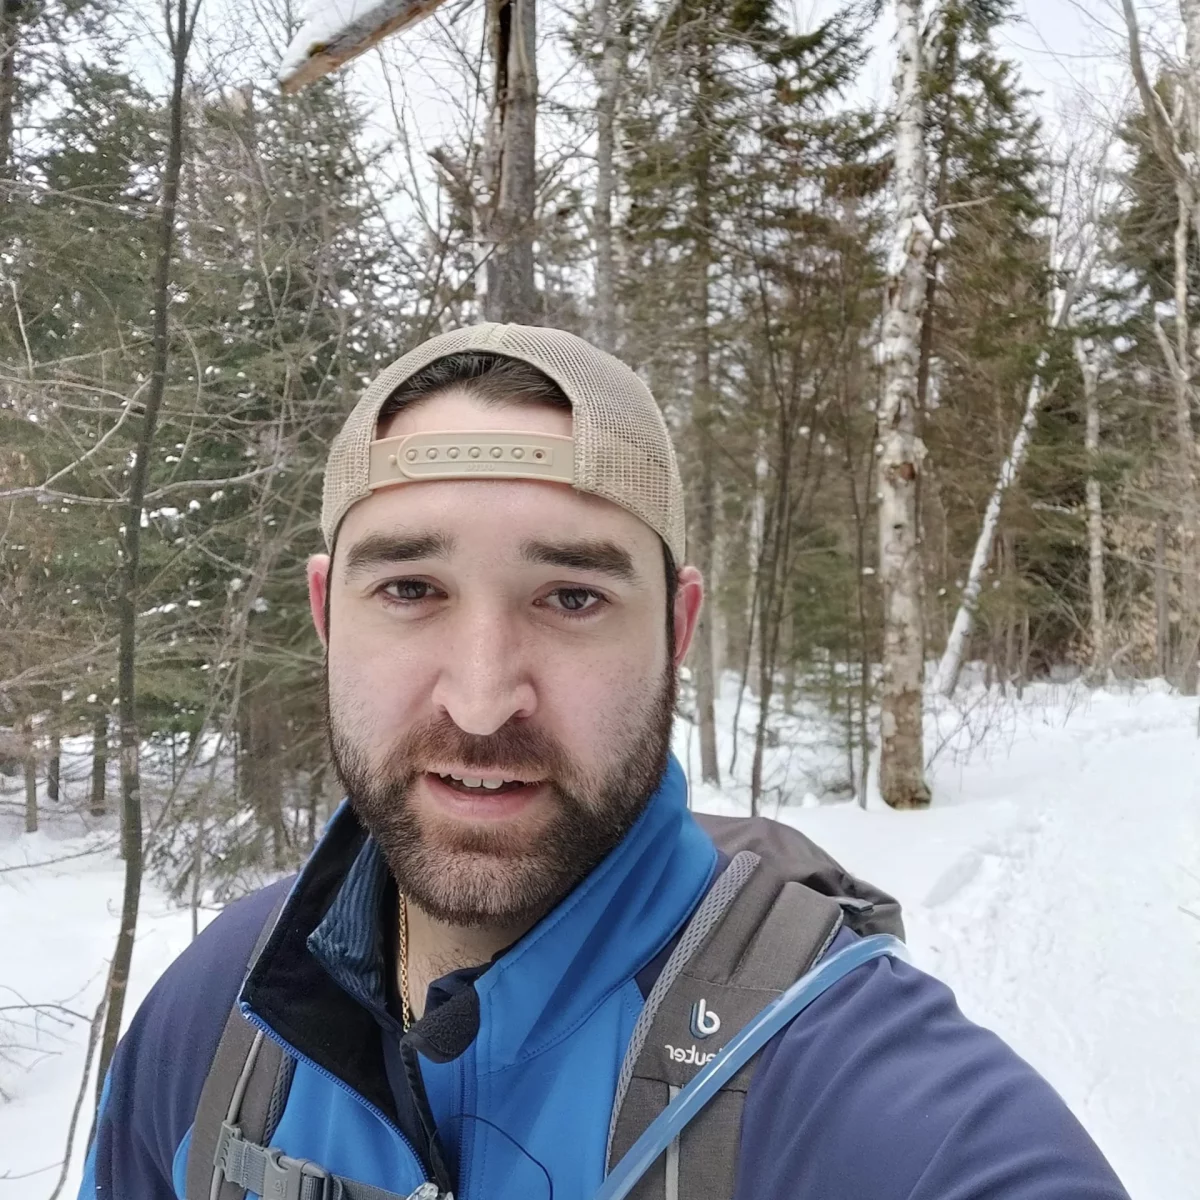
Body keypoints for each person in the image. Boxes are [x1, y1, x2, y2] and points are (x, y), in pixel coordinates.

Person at [82, 324, 1129, 1200]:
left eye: (572, 598)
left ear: (675, 633)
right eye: (409, 589)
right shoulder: (223, 1015)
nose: (483, 698)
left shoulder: (844, 1095)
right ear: (325, 614)